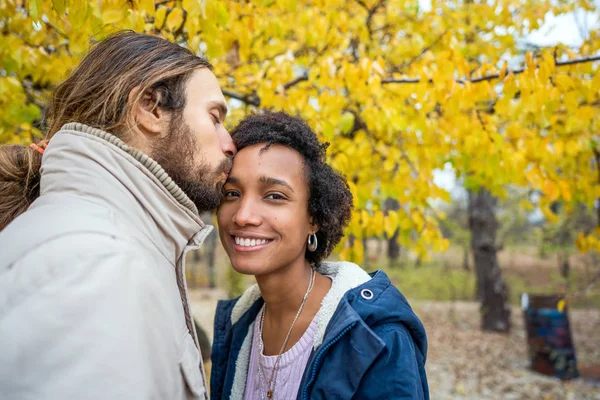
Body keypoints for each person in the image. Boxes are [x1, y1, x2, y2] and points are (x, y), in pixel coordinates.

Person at [0, 31, 235, 400]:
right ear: (151, 108)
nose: (229, 142)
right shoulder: (98, 262)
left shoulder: (103, 244)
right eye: (215, 117)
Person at [211, 111, 429, 400]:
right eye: (231, 194)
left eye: (274, 196)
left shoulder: (377, 337)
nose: (243, 216)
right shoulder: (238, 327)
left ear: (314, 216)